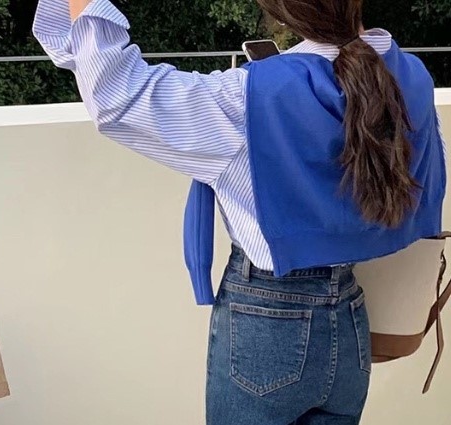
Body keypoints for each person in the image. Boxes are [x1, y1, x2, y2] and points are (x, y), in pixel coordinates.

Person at [33, 0, 446, 423]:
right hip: (351, 317)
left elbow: (116, 96)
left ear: (281, 13)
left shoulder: (248, 96)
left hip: (267, 320)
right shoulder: (408, 75)